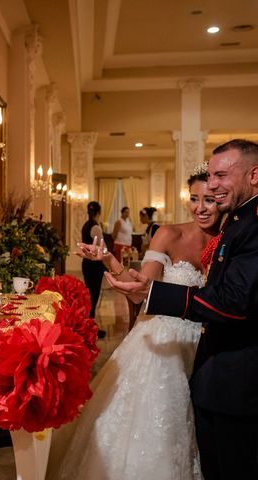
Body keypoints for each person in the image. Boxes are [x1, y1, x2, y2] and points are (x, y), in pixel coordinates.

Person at [49, 168, 221, 480]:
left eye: (209, 199)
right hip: (161, 348)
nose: (200, 207)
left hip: (207, 346)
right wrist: (108, 261)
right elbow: (141, 287)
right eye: (194, 199)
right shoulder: (169, 233)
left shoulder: (231, 239)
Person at [106, 139, 258, 479]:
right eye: (198, 195)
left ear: (254, 175)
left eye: (221, 177)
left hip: (232, 368)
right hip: (199, 356)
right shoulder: (235, 223)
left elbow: (233, 301)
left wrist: (156, 293)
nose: (210, 192)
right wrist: (140, 285)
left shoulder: (245, 226)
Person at [80, 201, 106, 319]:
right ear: (99, 212)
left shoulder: (86, 225)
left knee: (90, 293)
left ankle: (89, 322)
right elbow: (103, 248)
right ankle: (91, 322)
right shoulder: (95, 227)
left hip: (86, 263)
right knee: (93, 294)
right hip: (95, 264)